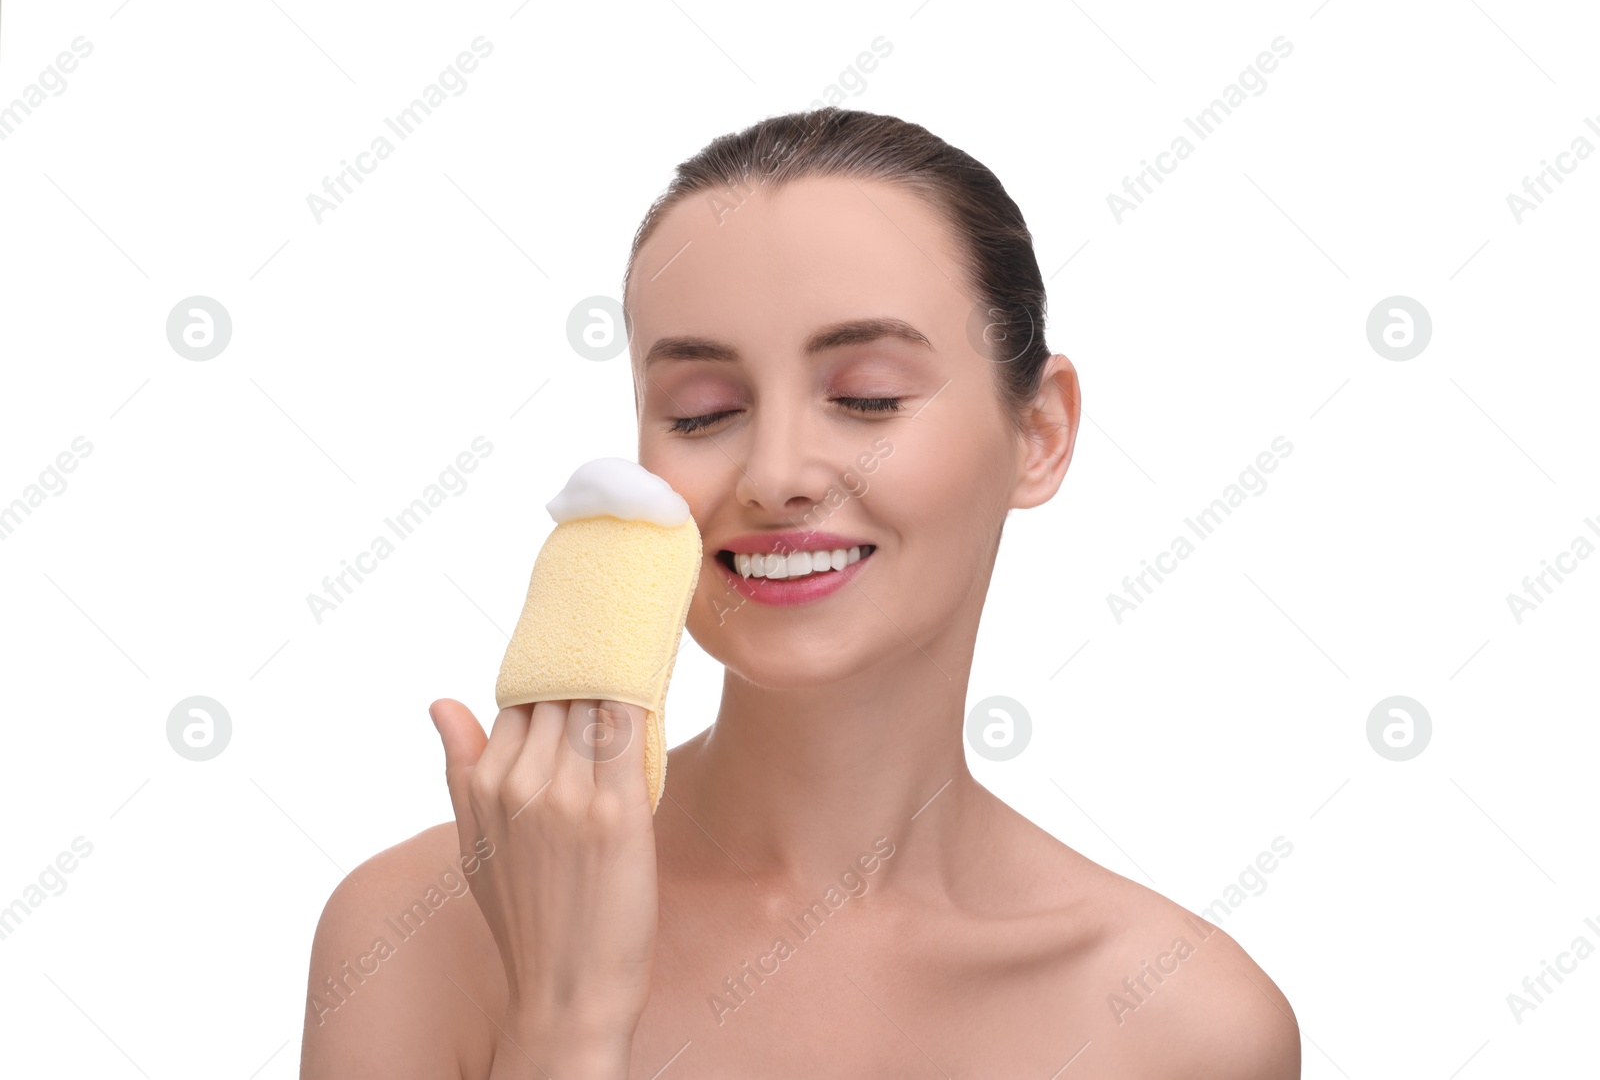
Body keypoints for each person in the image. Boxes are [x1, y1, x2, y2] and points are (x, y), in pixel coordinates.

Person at [299, 107, 1299, 1079]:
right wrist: (567, 1023)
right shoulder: (415, 931)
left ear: (1040, 434)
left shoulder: (1183, 1026)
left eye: (867, 395)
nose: (774, 470)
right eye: (703, 411)